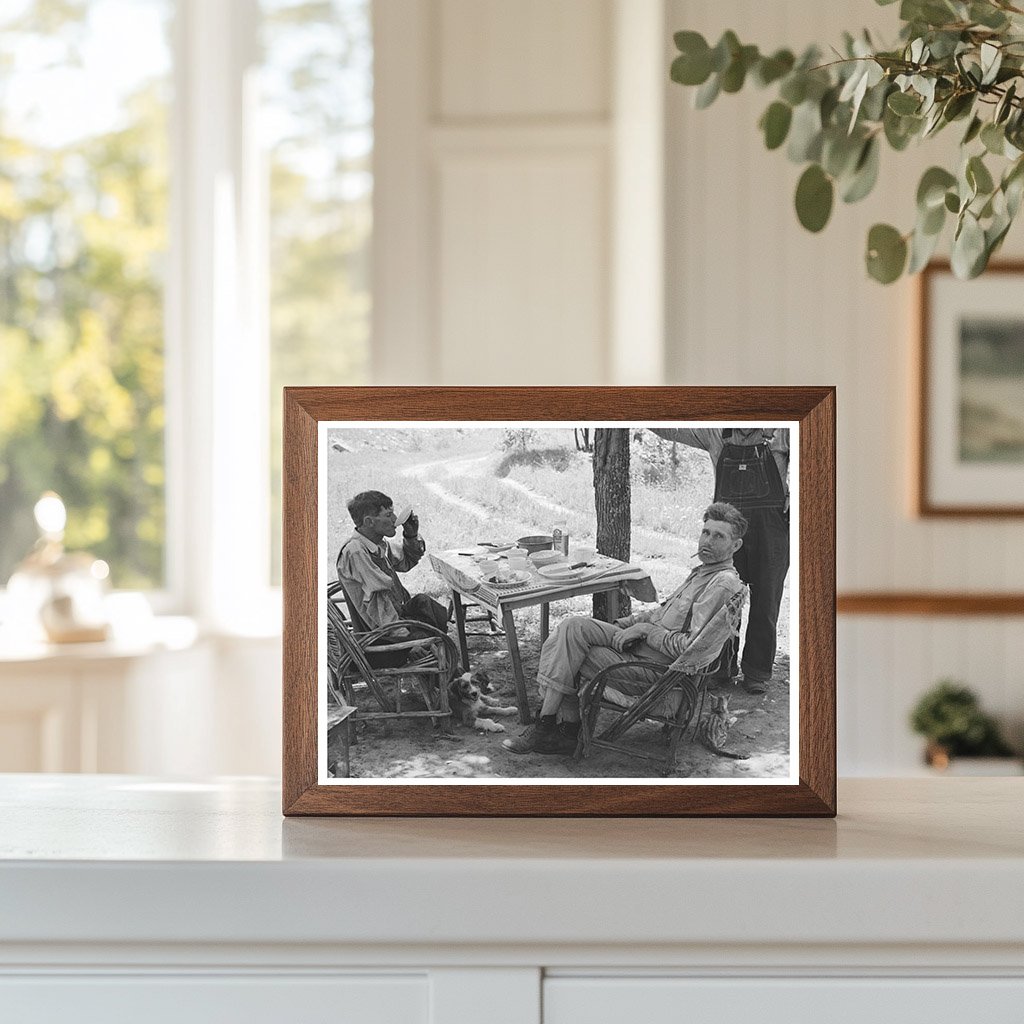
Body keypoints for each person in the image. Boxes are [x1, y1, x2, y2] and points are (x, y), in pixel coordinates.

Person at [503, 502, 748, 755]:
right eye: (706, 532)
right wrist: (626, 625)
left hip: (658, 672)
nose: (707, 541)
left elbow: (692, 649)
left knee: (568, 648)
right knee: (571, 627)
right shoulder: (703, 572)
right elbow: (660, 613)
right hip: (641, 648)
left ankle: (552, 727)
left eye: (719, 536)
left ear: (736, 545)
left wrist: (646, 631)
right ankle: (560, 730)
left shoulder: (722, 584)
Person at [650, 426, 789, 695]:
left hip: (770, 530)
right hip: (725, 531)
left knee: (766, 602)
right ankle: (720, 668)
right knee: (722, 601)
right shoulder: (715, 434)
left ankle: (757, 672)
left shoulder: (781, 431)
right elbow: (670, 429)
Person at [336, 490, 449, 636]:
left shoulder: (376, 545)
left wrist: (411, 535)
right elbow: (378, 605)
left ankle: (438, 640)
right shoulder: (356, 552)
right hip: (380, 634)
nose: (395, 520)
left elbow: (406, 561)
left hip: (397, 617)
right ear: (369, 522)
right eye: (389, 515)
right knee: (432, 631)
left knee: (424, 603)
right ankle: (436, 643)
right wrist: (406, 638)